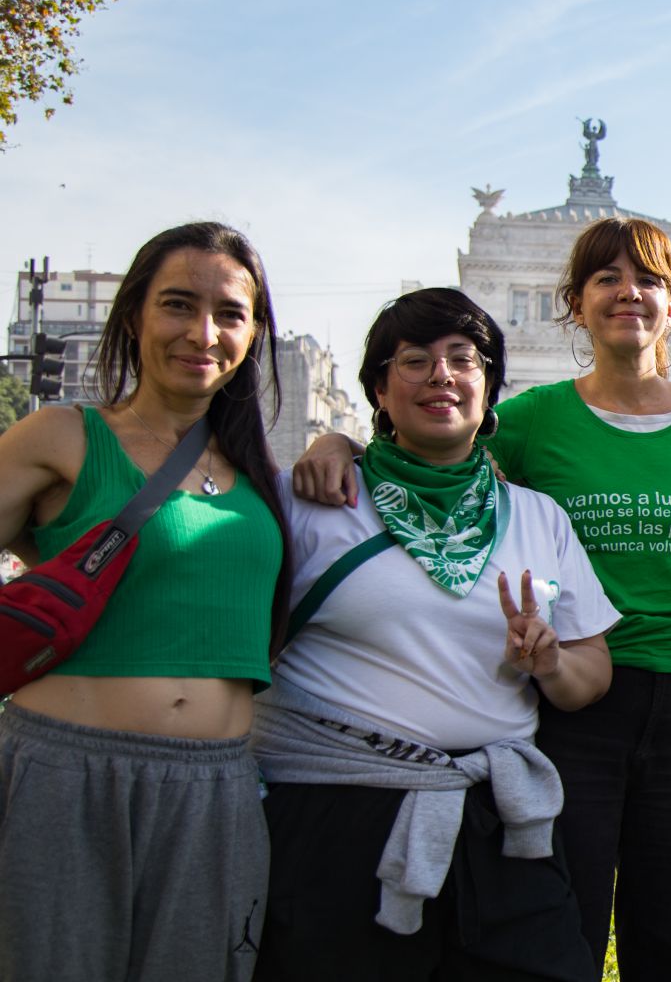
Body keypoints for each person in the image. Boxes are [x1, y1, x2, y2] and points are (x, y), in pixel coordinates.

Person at [294, 217, 671, 978]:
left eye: (647, 280)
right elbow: (430, 448)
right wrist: (335, 444)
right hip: (572, 698)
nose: (628, 294)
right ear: (574, 304)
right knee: (562, 921)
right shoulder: (531, 419)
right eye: (607, 279)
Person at [253, 288, 618, 981]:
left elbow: (590, 674)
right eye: (415, 361)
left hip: (497, 820)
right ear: (379, 393)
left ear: (489, 391)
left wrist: (549, 663)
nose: (441, 376)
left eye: (462, 359)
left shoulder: (538, 518)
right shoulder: (309, 502)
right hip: (336, 818)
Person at [0, 221, 291, 981]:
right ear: (133, 316)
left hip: (218, 790)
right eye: (177, 305)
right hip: (66, 777)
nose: (203, 332)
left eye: (230, 313)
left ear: (254, 332)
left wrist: (338, 448)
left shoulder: (263, 475)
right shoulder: (62, 435)